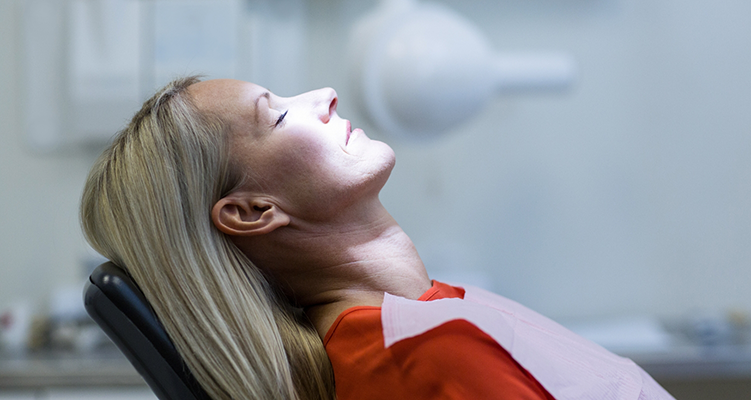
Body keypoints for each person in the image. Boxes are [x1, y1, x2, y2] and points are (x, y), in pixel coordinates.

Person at [81, 77, 674, 400]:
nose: (325, 95)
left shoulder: (423, 321)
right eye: (280, 115)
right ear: (253, 210)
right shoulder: (417, 359)